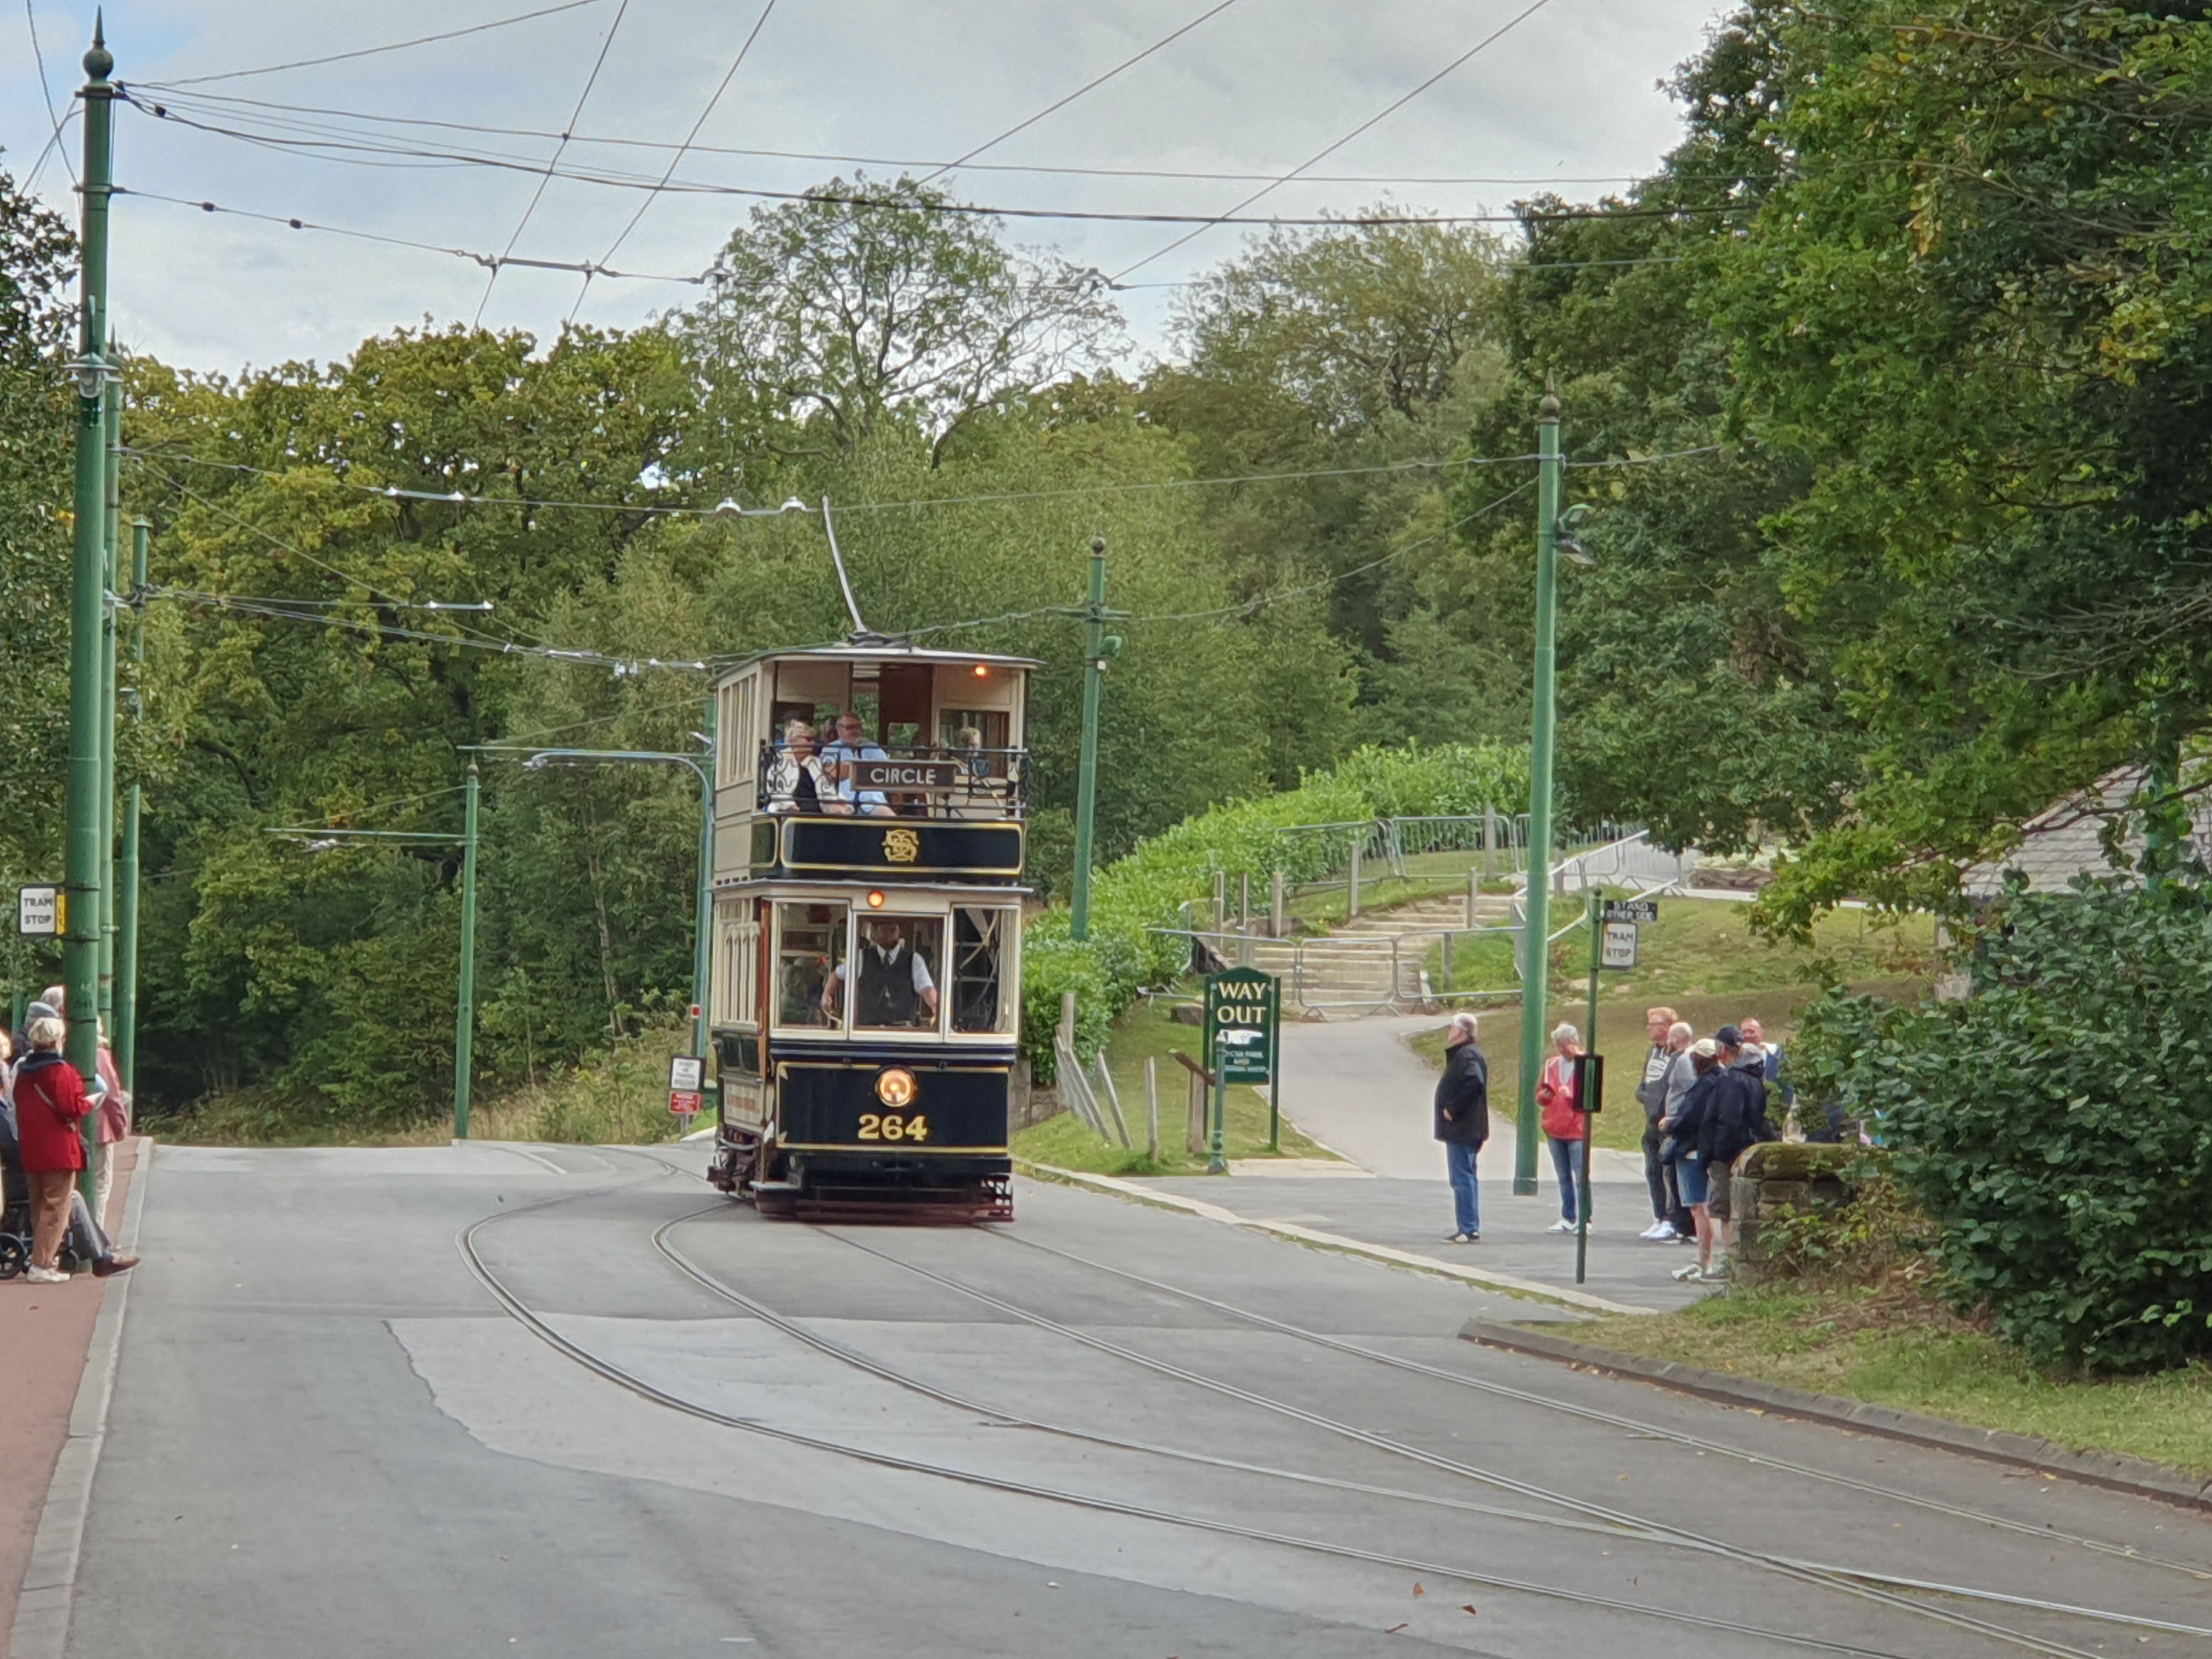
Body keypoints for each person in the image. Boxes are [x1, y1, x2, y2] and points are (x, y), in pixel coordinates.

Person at [1, 1093, 137, 1277]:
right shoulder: (3, 1114)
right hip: (20, 1180)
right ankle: (101, 1257)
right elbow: (15, 1149)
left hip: (18, 1177)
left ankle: (101, 1254)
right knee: (72, 1199)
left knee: (71, 1199)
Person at [12, 1016, 89, 1283]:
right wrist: (89, 1103)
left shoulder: (24, 1073)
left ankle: (42, 1256)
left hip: (32, 1148)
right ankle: (42, 1263)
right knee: (56, 1206)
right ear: (58, 1040)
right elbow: (73, 1108)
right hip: (59, 1148)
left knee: (38, 1205)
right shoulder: (61, 1071)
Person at [1699, 1026, 1779, 1278]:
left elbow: (1728, 1120)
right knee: (1741, 1208)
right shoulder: (1756, 1080)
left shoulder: (1732, 1081)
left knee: (1724, 1210)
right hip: (1749, 1148)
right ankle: (1739, 1261)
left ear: (1722, 1049)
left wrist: (1716, 1153)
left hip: (1729, 1153)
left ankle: (1731, 1263)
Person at [1663, 1041, 1723, 1281]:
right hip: (1712, 1149)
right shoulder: (1723, 1081)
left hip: (1692, 1150)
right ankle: (1708, 1261)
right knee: (1708, 1205)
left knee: (1699, 1207)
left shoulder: (1704, 1086)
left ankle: (1705, 1261)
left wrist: (1670, 1124)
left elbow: (1689, 1119)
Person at [823, 918, 939, 1028]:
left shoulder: (914, 960)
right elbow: (837, 975)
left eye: (892, 927)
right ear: (876, 931)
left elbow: (926, 988)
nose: (887, 931)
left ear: (899, 931)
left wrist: (935, 1007)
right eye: (882, 927)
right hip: (865, 1030)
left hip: (903, 1032)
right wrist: (827, 994)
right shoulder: (862, 957)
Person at [1433, 1012, 1487, 1244]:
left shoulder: (1467, 1056)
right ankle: (1468, 1226)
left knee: (1463, 1177)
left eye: (1451, 1027)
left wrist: (1453, 1108)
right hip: (1467, 1128)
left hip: (1464, 1128)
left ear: (1462, 1031)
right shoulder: (1467, 1054)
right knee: (1466, 1176)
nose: (1449, 1032)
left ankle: (1468, 1227)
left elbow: (1474, 1081)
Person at [1634, 1007, 1681, 1240]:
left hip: (1666, 1120)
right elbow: (1645, 1081)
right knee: (1652, 1170)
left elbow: (1670, 1087)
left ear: (1667, 1026)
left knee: (1668, 1172)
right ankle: (1659, 1215)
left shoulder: (1675, 1055)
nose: (1649, 1029)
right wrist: (1642, 1094)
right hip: (1650, 1119)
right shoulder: (1651, 1052)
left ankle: (1672, 1219)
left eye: (1653, 1024)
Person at [1536, 1022, 1585, 1233]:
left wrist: (1572, 1096)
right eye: (1559, 1045)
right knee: (1563, 1175)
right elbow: (1541, 1091)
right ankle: (1567, 1216)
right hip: (1555, 1125)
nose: (1562, 1050)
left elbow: (1592, 1095)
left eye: (1565, 1045)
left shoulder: (1586, 1064)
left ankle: (1585, 1219)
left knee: (1581, 1175)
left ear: (1574, 1042)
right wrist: (1543, 1097)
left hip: (1577, 1128)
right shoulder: (1552, 1065)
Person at [820, 712, 894, 818]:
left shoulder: (873, 748)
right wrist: (863, 769)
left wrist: (849, 769)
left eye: (859, 727)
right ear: (839, 730)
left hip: (873, 804)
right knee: (839, 814)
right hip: (841, 801)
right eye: (851, 727)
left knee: (894, 820)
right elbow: (832, 773)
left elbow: (887, 771)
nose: (857, 731)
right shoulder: (831, 749)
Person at [763, 719, 829, 814]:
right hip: (791, 813)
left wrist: (838, 806)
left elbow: (828, 791)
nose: (813, 743)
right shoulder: (781, 762)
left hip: (817, 813)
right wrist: (790, 806)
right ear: (795, 741)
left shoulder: (816, 763)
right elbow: (775, 790)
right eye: (809, 739)